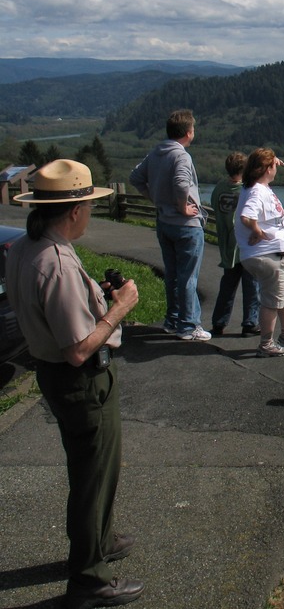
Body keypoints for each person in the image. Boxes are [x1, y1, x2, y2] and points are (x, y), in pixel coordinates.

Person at [6, 159, 144, 608]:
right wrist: (119, 306)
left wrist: (96, 296)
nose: (90, 213)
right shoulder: (57, 262)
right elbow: (80, 348)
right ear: (74, 211)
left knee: (91, 470)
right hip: (82, 380)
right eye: (87, 205)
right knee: (92, 476)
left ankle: (98, 540)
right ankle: (89, 579)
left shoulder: (26, 249)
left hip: (55, 376)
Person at [129, 109, 210, 341]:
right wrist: (183, 206)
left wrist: (156, 198)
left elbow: (135, 177)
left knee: (172, 275)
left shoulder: (157, 152)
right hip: (186, 225)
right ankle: (189, 325)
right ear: (188, 132)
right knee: (188, 277)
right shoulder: (182, 156)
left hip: (164, 222)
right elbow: (181, 183)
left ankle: (173, 320)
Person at [235, 148, 284, 357]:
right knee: (271, 301)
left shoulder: (256, 185)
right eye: (273, 166)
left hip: (275, 254)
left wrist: (273, 159)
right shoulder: (257, 192)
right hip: (266, 255)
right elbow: (246, 216)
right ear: (266, 169)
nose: (276, 168)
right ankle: (266, 344)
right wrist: (258, 232)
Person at [210, 152, 260, 336]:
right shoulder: (247, 190)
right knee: (252, 285)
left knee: (227, 286)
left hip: (228, 246)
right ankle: (250, 323)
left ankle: (219, 323)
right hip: (246, 246)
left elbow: (214, 205)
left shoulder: (219, 188)